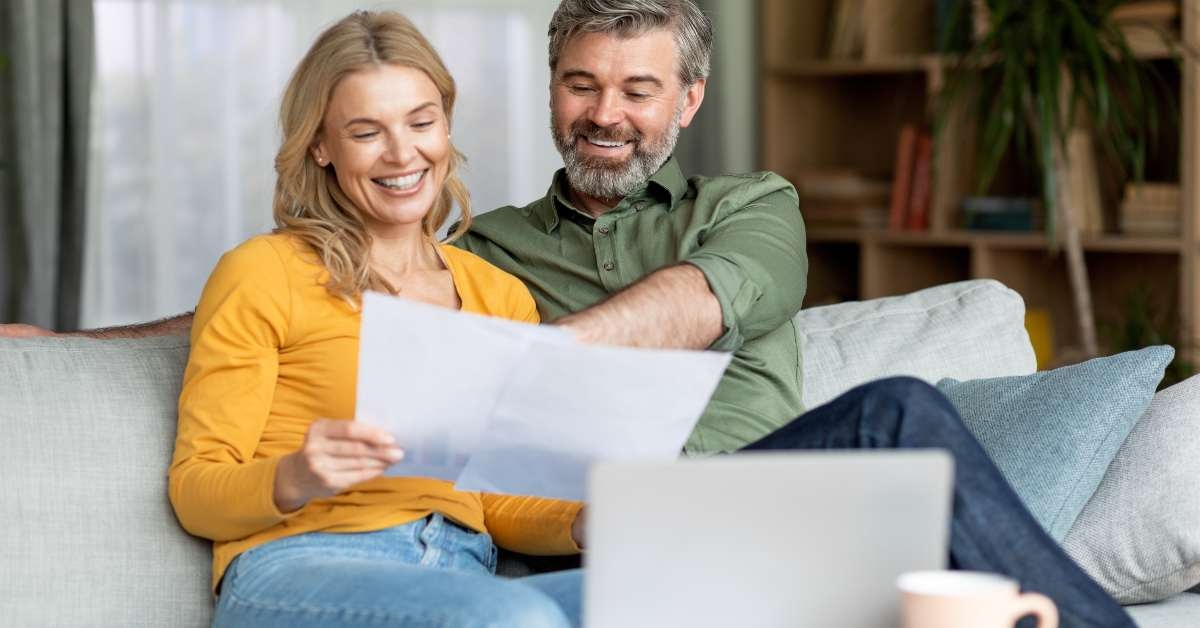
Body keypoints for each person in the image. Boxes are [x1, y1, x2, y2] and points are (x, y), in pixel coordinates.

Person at [4, 2, 1134, 626]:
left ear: (687, 101)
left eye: (638, 90)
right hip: (359, 552)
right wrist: (68, 347)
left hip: (688, 499)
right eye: (583, 86)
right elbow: (261, 338)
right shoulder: (458, 255)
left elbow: (694, 309)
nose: (607, 114)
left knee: (892, 419)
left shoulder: (734, 212)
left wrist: (532, 380)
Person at [170, 11, 585, 628]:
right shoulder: (264, 271)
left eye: (421, 122)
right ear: (321, 145)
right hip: (300, 567)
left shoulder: (499, 295)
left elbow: (497, 499)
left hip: (465, 575)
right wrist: (298, 474)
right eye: (366, 132)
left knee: (671, 597)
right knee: (514, 620)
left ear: (445, 125)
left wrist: (584, 519)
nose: (402, 153)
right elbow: (195, 490)